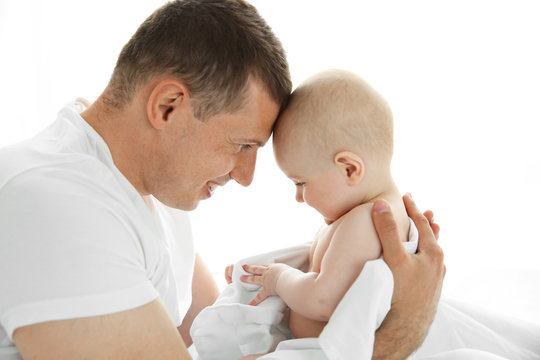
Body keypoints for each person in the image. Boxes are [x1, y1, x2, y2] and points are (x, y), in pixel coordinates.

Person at [0, 1, 444, 360]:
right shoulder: (56, 205)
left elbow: (212, 336)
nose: (246, 177)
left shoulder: (141, 189)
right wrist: (400, 330)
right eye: (243, 145)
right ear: (168, 106)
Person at [239, 69, 429, 338]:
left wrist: (278, 278)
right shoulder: (362, 216)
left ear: (349, 169)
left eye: (301, 183)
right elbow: (324, 266)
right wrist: (259, 271)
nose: (298, 197)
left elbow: (322, 301)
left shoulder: (367, 222)